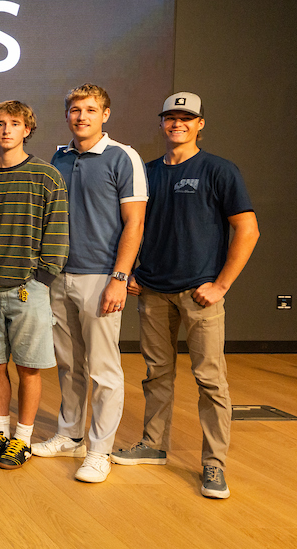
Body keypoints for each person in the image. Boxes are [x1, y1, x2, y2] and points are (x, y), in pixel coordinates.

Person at [112, 92, 258, 500]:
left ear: (200, 124)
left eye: (187, 117)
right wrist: (131, 271)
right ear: (161, 123)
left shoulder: (219, 170)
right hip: (152, 292)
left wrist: (221, 285)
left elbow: (248, 230)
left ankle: (214, 464)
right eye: (171, 117)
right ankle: (153, 445)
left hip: (200, 294)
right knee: (156, 374)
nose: (178, 123)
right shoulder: (147, 173)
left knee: (210, 381)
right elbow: (133, 225)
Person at [33, 84, 147, 483]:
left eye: (91, 110)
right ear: (67, 115)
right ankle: (70, 436)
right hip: (58, 276)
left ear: (106, 114)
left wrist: (120, 277)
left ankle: (100, 451)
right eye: (76, 110)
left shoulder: (123, 157)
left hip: (101, 277)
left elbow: (135, 222)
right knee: (69, 364)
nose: (82, 116)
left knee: (103, 370)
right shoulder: (59, 158)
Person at [0, 100, 68, 470]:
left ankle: (22, 440)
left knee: (28, 367)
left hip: (28, 288)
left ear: (27, 129)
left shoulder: (46, 176)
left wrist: (42, 280)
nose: (6, 129)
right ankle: (0, 432)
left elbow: (57, 232)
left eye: (14, 123)